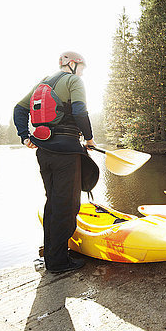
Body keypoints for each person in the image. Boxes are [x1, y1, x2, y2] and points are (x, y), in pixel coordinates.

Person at [13, 51, 98, 274]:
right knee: (67, 205)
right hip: (67, 154)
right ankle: (59, 262)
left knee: (52, 202)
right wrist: (89, 139)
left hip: (44, 152)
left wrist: (25, 135)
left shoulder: (42, 84)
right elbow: (80, 111)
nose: (83, 72)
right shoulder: (74, 80)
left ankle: (52, 257)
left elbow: (19, 109)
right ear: (72, 64)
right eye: (82, 67)